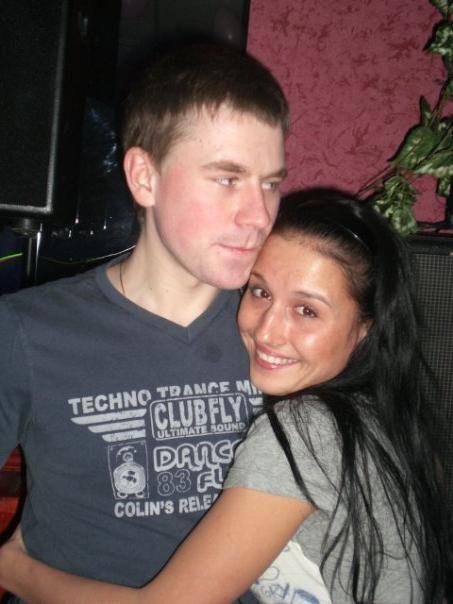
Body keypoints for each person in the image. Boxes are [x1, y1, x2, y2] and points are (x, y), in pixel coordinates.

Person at [1, 193, 451, 603]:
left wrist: (14, 567)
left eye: (306, 310)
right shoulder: (390, 416)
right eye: (261, 292)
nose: (268, 331)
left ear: (366, 328)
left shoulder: (306, 430)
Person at [0, 43, 288, 601]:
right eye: (227, 178)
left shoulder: (282, 334)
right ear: (144, 177)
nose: (259, 216)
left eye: (271, 183)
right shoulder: (25, 331)